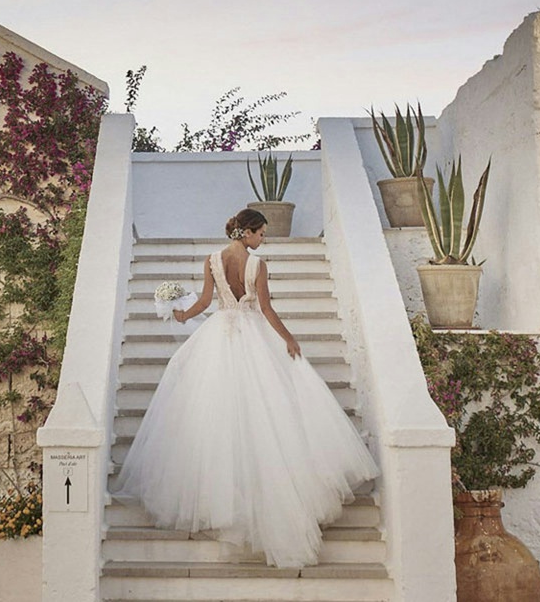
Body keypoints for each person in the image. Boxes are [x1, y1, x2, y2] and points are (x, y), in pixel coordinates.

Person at [115, 207, 379, 568]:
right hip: (253, 337)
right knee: (268, 416)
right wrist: (289, 339)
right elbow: (267, 310)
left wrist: (180, 316)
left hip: (219, 336)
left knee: (218, 417)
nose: (263, 239)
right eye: (261, 233)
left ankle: (222, 502)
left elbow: (206, 303)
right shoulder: (258, 264)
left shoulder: (212, 260)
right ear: (248, 233)